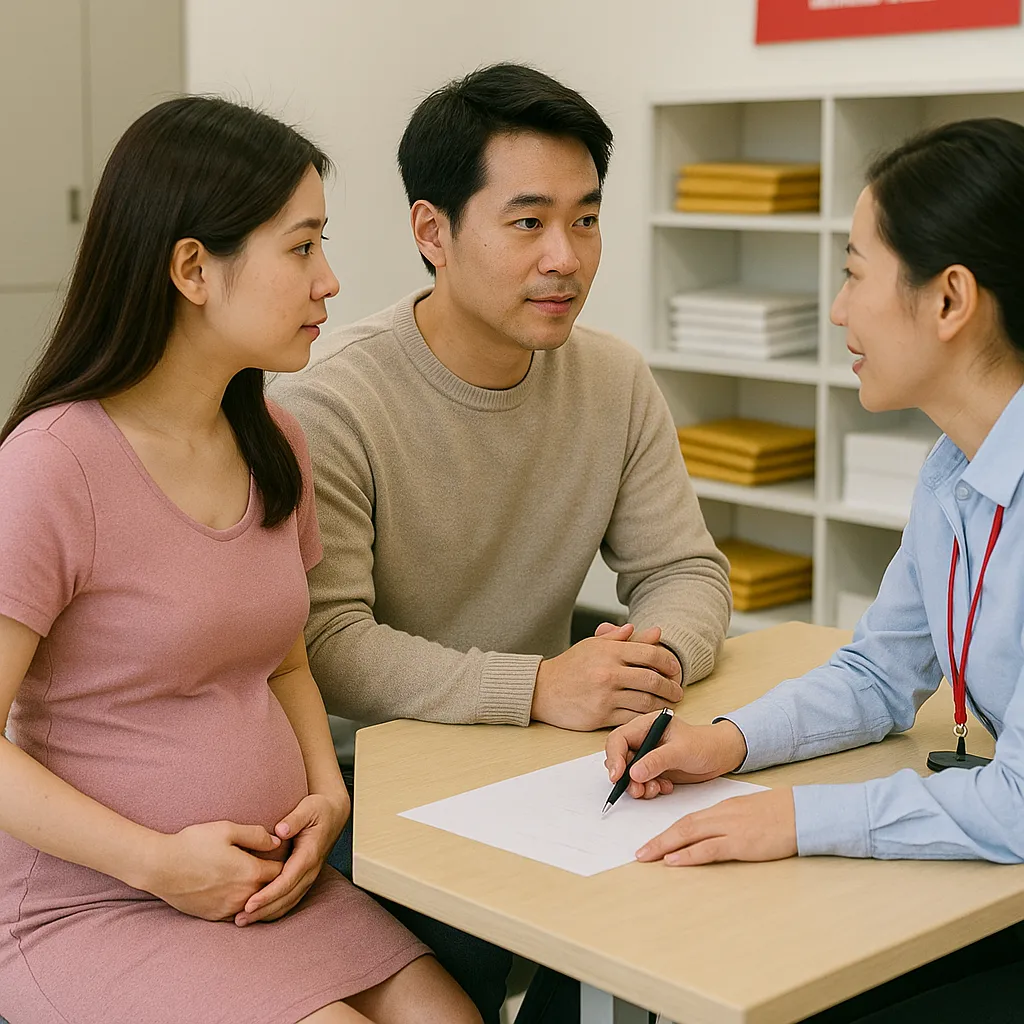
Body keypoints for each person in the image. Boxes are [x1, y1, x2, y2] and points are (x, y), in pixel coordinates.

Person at [0, 96, 481, 1024]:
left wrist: (327, 794)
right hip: (96, 907)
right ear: (192, 269)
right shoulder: (50, 468)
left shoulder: (276, 444)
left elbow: (287, 658)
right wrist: (158, 862)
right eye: (301, 248)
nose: (330, 281)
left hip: (267, 892)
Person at [270, 62, 731, 1023]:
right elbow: (326, 643)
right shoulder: (330, 401)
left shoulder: (613, 379)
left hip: (542, 761)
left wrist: (651, 662)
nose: (564, 256)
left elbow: (683, 568)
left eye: (586, 219)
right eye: (527, 223)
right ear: (432, 232)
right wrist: (537, 687)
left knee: (701, 905)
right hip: (366, 781)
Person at [604, 117, 1024, 1023]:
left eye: (853, 272)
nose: (837, 311)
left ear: (950, 299)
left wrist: (796, 820)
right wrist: (724, 743)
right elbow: (882, 672)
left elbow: (1022, 808)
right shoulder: (957, 463)